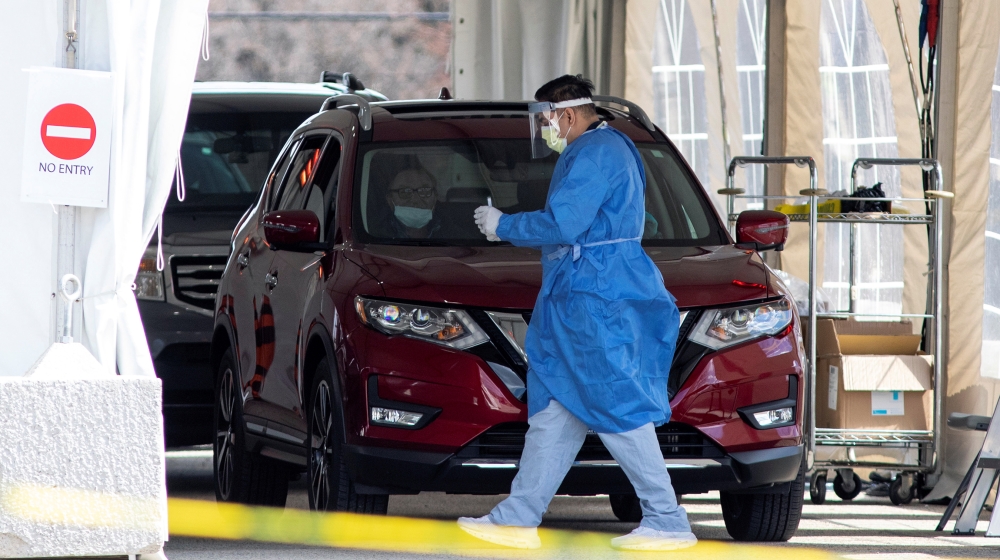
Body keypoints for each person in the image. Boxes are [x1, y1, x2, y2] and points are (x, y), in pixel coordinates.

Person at [461, 75, 696, 552]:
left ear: (566, 115)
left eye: (546, 120)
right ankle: (519, 516)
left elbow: (566, 223)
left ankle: (667, 519)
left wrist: (503, 224)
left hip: (593, 300)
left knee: (617, 405)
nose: (545, 130)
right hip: (577, 298)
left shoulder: (596, 152)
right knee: (554, 410)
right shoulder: (608, 148)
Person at [385, 167, 445, 238]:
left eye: (424, 191)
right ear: (390, 200)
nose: (415, 199)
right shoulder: (375, 234)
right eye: (405, 191)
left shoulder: (455, 235)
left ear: (435, 198)